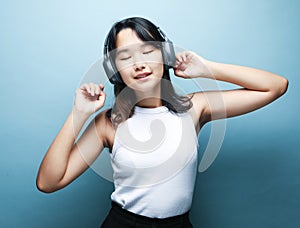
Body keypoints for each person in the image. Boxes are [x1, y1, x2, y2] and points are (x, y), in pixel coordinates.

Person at [36, 17, 288, 227]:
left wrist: (206, 68)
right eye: (125, 58)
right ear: (115, 70)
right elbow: (48, 182)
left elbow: (275, 87)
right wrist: (78, 114)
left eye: (147, 51)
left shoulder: (194, 108)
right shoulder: (108, 123)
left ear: (164, 56)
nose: (139, 64)